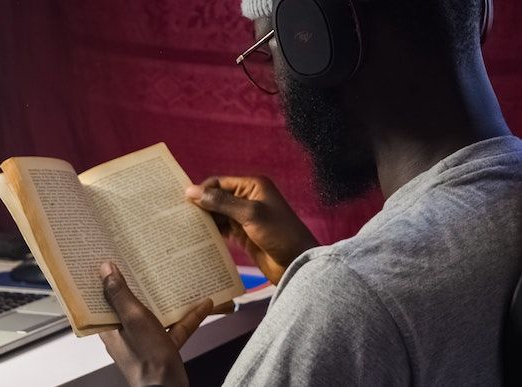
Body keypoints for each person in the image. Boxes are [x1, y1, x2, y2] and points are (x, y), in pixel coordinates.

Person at [96, 0, 522, 385]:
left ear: (316, 39)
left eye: (269, 46)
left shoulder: (352, 295)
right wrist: (311, 261)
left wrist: (156, 378)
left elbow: (373, 301)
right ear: (479, 14)